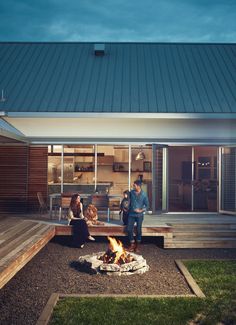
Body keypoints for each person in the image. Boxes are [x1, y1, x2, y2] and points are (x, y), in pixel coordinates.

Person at [127, 180, 149, 252]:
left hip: (139, 215)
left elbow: (147, 205)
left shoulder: (144, 194)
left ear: (138, 186)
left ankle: (137, 246)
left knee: (138, 230)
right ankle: (132, 244)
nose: (133, 186)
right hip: (131, 214)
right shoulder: (131, 193)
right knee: (129, 229)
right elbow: (128, 201)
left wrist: (141, 210)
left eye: (134, 185)